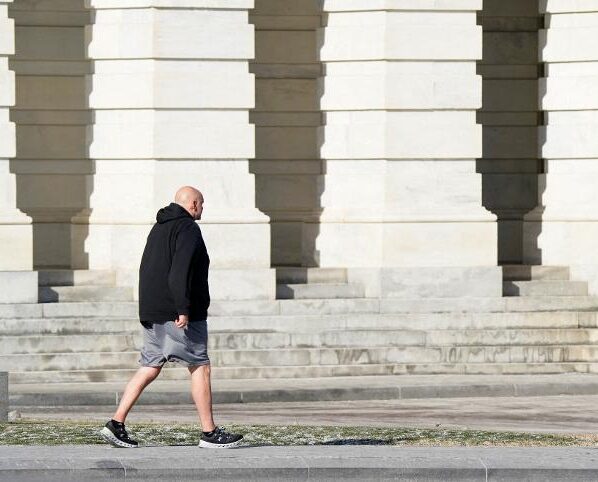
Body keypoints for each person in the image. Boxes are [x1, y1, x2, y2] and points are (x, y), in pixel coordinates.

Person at [100, 186, 243, 449]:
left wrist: (148, 310)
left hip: (154, 311)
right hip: (176, 312)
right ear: (193, 204)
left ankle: (116, 422)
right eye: (201, 203)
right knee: (200, 365)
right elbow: (180, 270)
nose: (202, 208)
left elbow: (147, 269)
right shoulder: (187, 228)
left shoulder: (159, 227)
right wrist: (183, 308)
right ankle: (209, 432)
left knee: (150, 365)